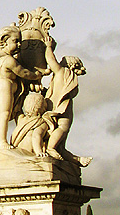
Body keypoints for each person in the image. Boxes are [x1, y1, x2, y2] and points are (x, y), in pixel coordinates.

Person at [0, 26, 44, 149]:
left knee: (9, 114)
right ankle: (3, 142)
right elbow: (24, 73)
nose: (18, 44)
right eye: (15, 41)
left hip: (8, 88)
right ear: (5, 41)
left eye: (20, 42)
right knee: (4, 114)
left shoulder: (5, 58)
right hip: (4, 88)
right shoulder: (8, 60)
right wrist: (38, 74)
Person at [36, 34, 92, 167]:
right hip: (63, 107)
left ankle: (53, 148)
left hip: (59, 106)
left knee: (62, 130)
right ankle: (59, 151)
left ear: (68, 64)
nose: (59, 62)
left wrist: (48, 47)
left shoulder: (62, 71)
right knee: (63, 129)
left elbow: (50, 60)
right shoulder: (68, 76)